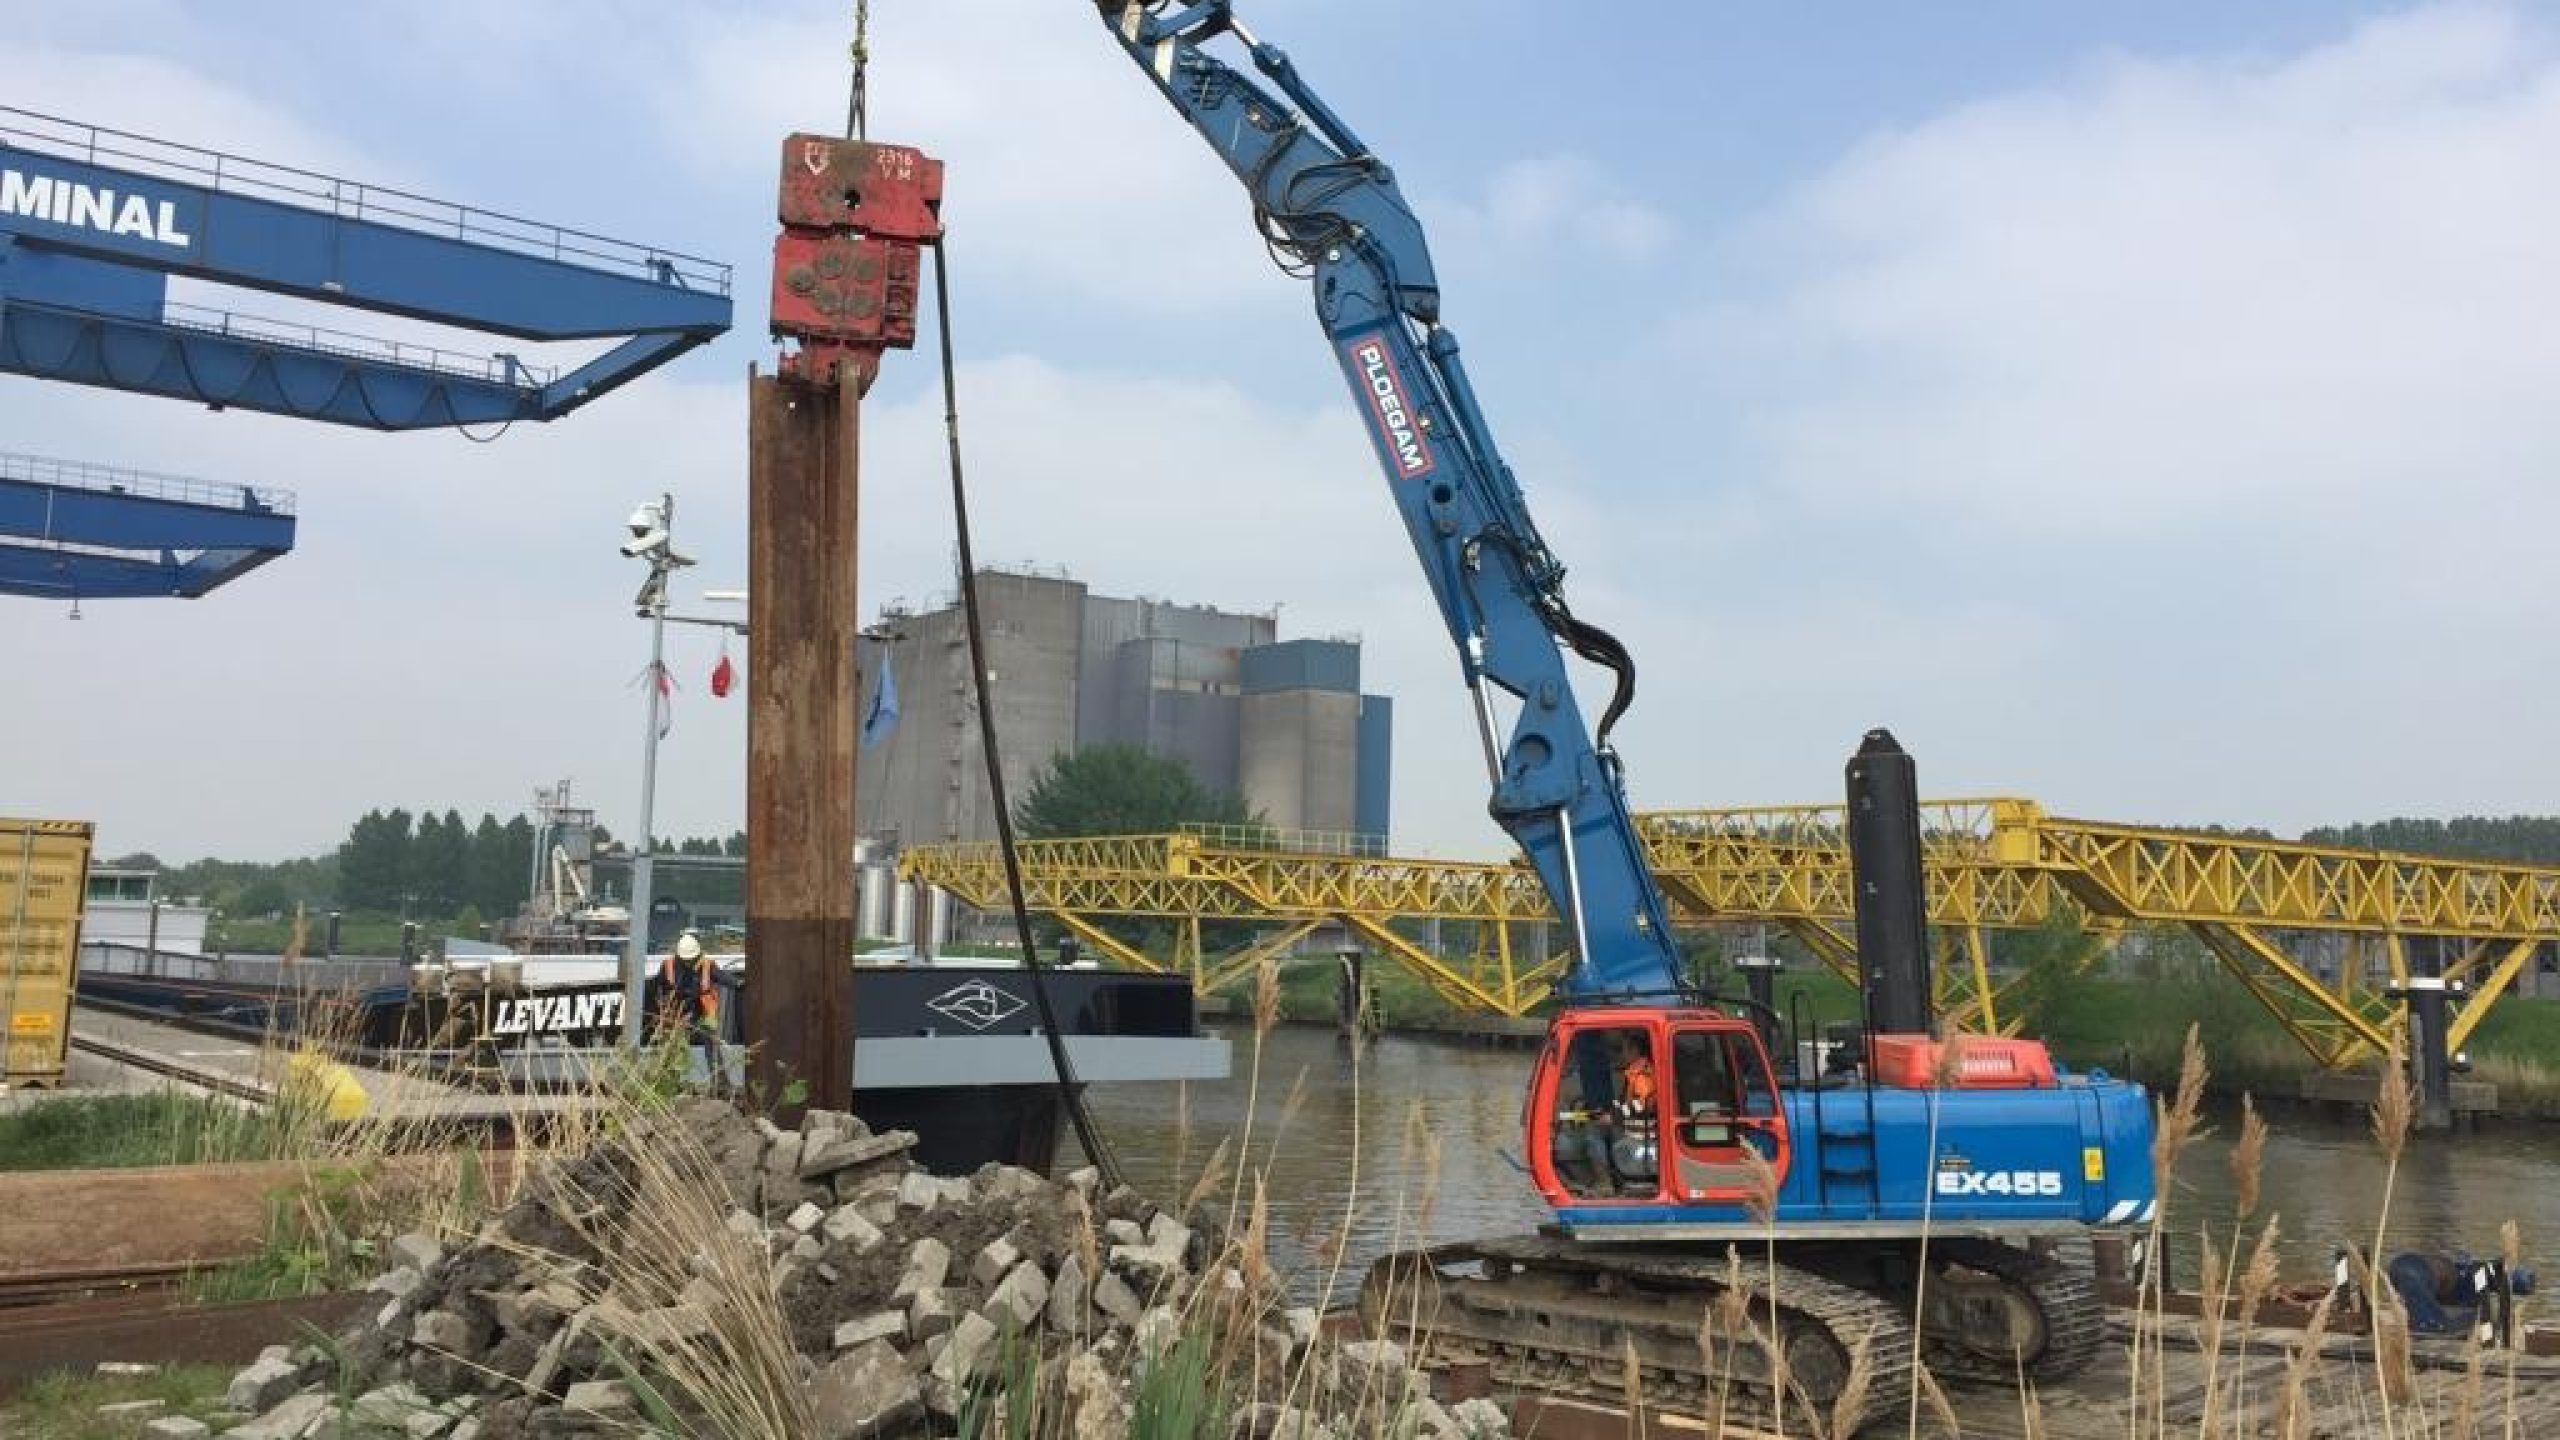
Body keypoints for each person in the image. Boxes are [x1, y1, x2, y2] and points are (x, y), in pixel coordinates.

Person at [658, 929, 726, 1090]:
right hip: (678, 1013)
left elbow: (723, 977)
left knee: (711, 1045)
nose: (688, 962)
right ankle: (672, 1083)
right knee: (674, 1047)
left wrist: (739, 984)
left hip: (703, 1013)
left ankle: (720, 1084)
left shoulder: (707, 965)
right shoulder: (668, 965)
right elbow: (659, 986)